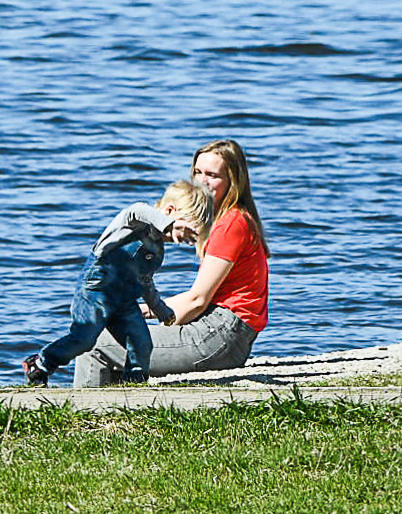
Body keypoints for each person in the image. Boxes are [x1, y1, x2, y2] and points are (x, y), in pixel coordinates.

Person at [74, 138, 271, 387]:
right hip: (224, 333)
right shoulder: (233, 219)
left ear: (234, 181)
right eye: (197, 172)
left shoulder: (231, 225)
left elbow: (197, 301)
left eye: (213, 175)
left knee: (96, 342)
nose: (202, 181)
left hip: (219, 336)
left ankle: (85, 415)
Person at [23, 180, 214, 386]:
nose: (184, 237)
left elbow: (145, 282)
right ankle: (41, 363)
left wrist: (160, 309)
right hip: (97, 291)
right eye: (184, 229)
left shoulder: (157, 252)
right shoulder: (134, 223)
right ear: (169, 211)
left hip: (125, 301)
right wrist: (168, 225)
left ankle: (134, 383)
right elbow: (135, 210)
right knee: (84, 338)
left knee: (141, 342)